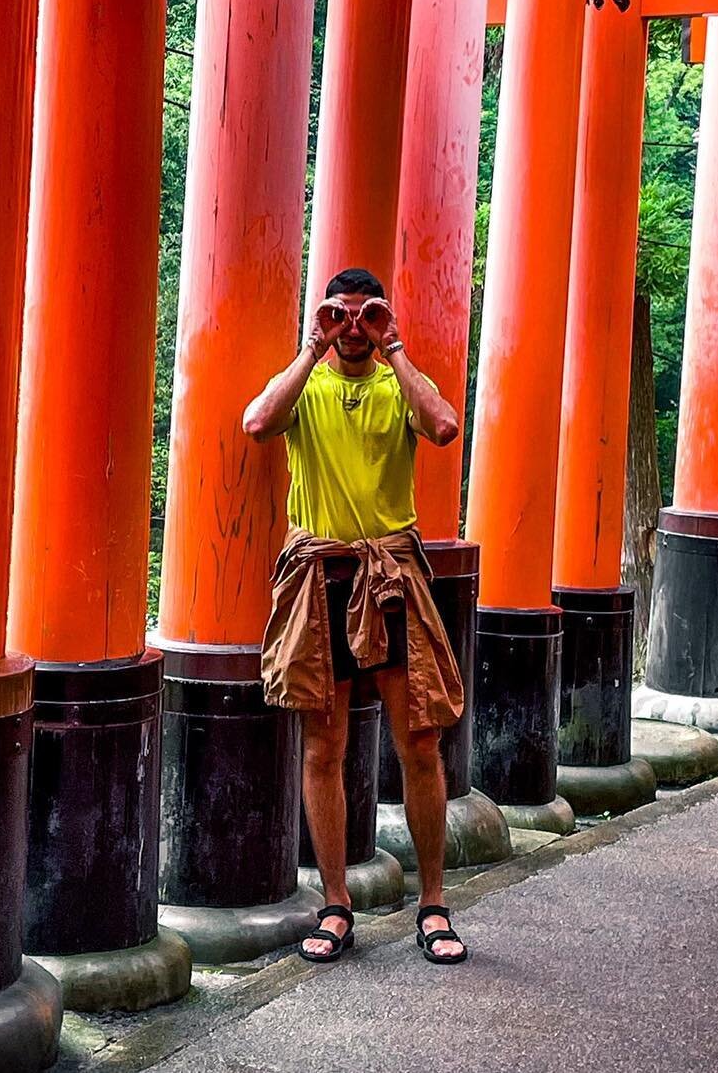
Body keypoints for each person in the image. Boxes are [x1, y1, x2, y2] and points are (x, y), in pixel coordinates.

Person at [243, 266, 470, 967]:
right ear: (324, 319)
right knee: (324, 746)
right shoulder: (306, 384)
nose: (351, 327)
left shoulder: (394, 381)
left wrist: (394, 345)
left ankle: (433, 902)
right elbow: (256, 422)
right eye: (339, 314)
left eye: (363, 314)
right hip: (320, 577)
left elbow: (443, 425)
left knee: (420, 742)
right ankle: (336, 902)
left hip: (390, 577)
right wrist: (311, 347)